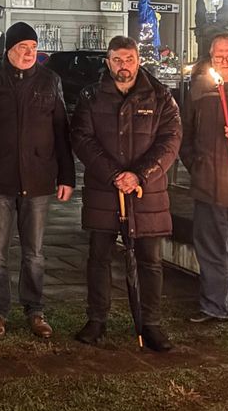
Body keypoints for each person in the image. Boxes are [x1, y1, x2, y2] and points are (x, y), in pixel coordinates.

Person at [0, 22, 74, 340]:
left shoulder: (50, 80)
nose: (28, 54)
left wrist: (67, 176)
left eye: (33, 48)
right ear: (8, 50)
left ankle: (35, 309)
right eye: (22, 48)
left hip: (38, 179)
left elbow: (62, 132)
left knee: (34, 252)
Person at [71, 35, 181, 351]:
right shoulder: (91, 96)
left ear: (138, 60)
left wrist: (139, 175)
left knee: (150, 261)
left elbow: (170, 141)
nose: (124, 66)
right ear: (107, 62)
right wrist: (114, 174)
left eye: (129, 59)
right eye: (117, 60)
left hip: (148, 192)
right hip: (106, 191)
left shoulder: (160, 97)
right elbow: (81, 138)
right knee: (99, 257)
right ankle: (97, 319)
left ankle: (152, 323)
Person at [180, 32, 228, 333]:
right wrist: (195, 165)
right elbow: (185, 133)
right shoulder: (201, 89)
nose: (224, 61)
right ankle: (215, 306)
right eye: (217, 57)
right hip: (208, 186)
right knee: (211, 250)